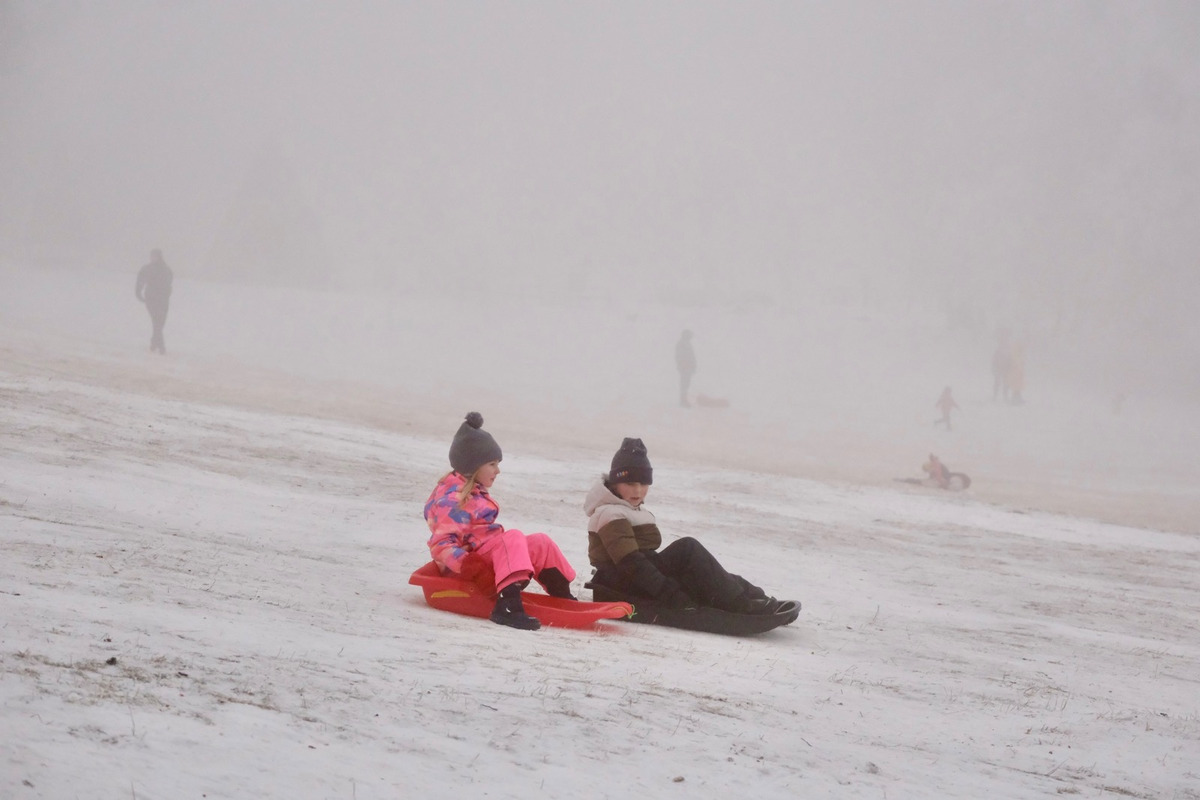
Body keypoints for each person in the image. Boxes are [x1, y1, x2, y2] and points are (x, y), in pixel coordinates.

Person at [584, 437, 798, 616]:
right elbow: (631, 563)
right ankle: (740, 604)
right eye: (630, 483)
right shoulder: (610, 513)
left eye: (643, 483)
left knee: (695, 567)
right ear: (615, 483)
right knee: (688, 550)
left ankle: (753, 596)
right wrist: (671, 594)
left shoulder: (627, 509)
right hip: (619, 584)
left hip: (633, 579)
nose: (638, 490)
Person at [423, 412, 577, 631]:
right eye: (492, 464)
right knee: (512, 537)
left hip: (487, 562)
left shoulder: (474, 493)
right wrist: (473, 568)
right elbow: (441, 545)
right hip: (466, 570)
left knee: (539, 542)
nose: (498, 470)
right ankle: (506, 606)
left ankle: (562, 594)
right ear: (473, 466)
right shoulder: (452, 500)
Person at [135, 248, 174, 354]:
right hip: (151, 299)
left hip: (163, 300)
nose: (152, 258)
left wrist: (167, 293)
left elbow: (169, 282)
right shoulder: (147, 268)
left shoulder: (166, 269)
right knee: (156, 322)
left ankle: (154, 342)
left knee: (160, 323)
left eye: (155, 256)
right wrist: (138, 293)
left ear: (159, 257)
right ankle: (162, 347)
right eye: (151, 256)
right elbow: (140, 280)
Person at [674, 329, 696, 408]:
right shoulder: (681, 344)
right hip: (685, 368)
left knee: (686, 384)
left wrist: (693, 366)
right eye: (689, 335)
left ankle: (684, 399)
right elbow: (679, 357)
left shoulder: (687, 343)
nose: (691, 337)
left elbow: (691, 356)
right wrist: (682, 366)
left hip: (687, 368)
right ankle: (683, 400)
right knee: (684, 384)